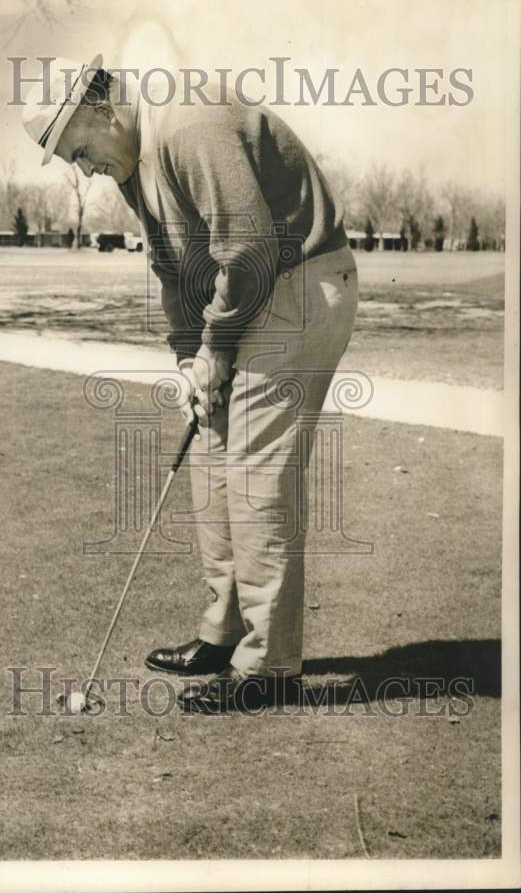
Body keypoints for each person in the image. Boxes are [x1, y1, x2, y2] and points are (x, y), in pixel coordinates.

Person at [21, 56, 358, 712]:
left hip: (298, 285)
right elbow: (173, 265)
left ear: (102, 110)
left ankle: (268, 667)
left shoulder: (186, 124)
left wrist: (215, 347)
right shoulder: (133, 161)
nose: (83, 168)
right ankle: (223, 630)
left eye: (78, 149)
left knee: (258, 474)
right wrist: (188, 359)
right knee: (210, 459)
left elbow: (253, 246)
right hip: (249, 293)